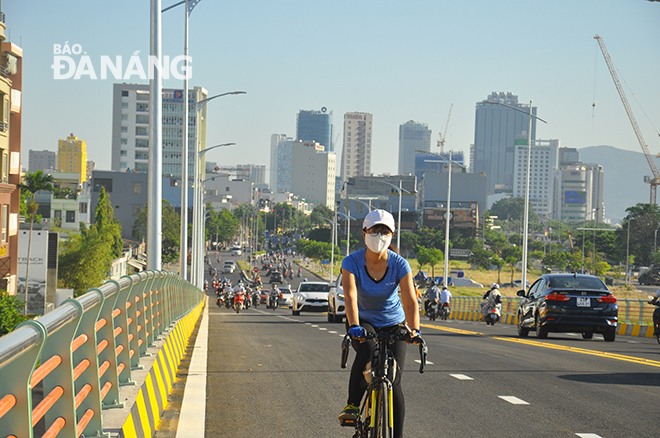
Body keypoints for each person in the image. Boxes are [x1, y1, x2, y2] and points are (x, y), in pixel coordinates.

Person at [338, 209, 423, 438]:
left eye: (384, 231)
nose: (379, 235)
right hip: (362, 320)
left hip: (394, 322)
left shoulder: (400, 264)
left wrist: (414, 330)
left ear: (392, 235)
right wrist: (354, 324)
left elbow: (410, 302)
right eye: (375, 230)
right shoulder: (351, 262)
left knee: (394, 381)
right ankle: (353, 406)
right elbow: (351, 297)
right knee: (366, 350)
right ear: (364, 233)